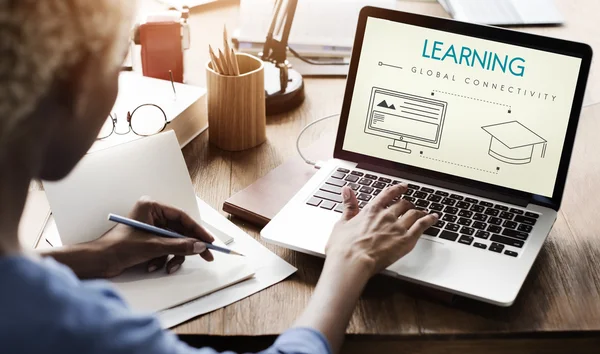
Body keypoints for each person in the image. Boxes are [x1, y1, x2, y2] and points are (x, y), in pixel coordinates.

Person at [0, 1, 438, 353]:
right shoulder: (79, 328)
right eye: (118, 66)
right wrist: (349, 262)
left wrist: (96, 255)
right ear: (71, 90)